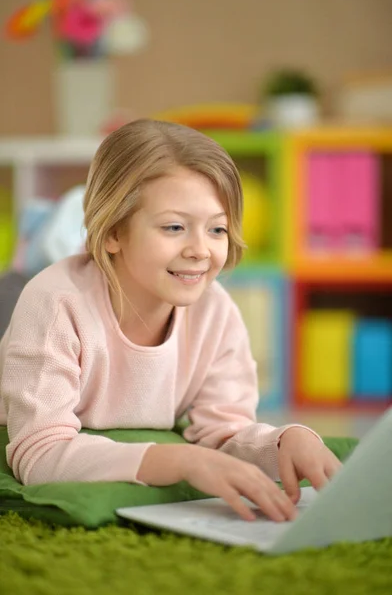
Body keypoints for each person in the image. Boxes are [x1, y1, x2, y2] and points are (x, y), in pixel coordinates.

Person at [0, 119, 340, 522]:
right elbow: (39, 452)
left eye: (217, 229)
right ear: (112, 232)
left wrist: (286, 441)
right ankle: (44, 232)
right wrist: (181, 461)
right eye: (174, 227)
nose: (200, 250)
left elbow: (224, 432)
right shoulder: (55, 303)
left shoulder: (216, 311)